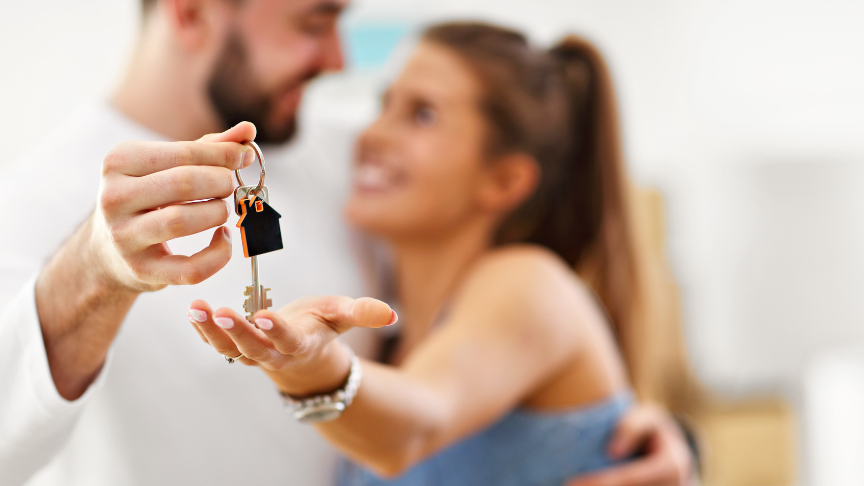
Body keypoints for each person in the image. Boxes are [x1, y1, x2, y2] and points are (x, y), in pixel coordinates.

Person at [0, 0, 694, 485]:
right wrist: (93, 271)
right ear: (191, 11)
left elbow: (481, 362)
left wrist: (620, 435)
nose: (337, 61)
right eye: (315, 19)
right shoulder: (32, 204)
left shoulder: (342, 163)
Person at [187, 22, 696, 485]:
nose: (373, 135)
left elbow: (410, 430)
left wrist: (310, 365)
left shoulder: (530, 284)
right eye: (384, 104)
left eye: (422, 115)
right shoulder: (397, 333)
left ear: (504, 180)